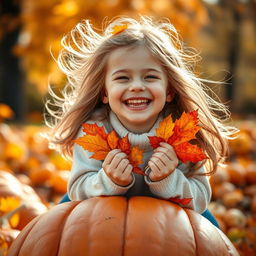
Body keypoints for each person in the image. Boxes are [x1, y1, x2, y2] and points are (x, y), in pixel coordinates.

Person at [45, 16, 236, 218]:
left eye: (150, 77)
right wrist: (109, 180)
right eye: (122, 78)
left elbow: (200, 199)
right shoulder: (93, 131)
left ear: (169, 90)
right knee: (60, 217)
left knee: (210, 230)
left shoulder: (183, 133)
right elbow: (78, 188)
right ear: (105, 93)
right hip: (104, 218)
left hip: (167, 223)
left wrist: (169, 179)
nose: (136, 86)